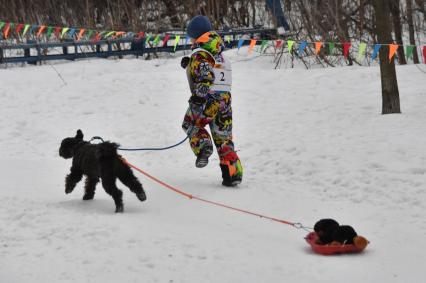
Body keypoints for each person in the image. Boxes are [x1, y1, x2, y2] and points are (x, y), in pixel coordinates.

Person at [180, 15, 243, 187]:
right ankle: (232, 174)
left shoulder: (201, 53)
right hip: (225, 100)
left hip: (207, 99)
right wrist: (190, 62)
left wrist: (199, 97)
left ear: (196, 35)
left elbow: (206, 74)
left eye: (191, 36)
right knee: (224, 138)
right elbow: (211, 66)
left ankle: (203, 146)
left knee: (190, 124)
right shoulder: (220, 53)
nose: (190, 40)